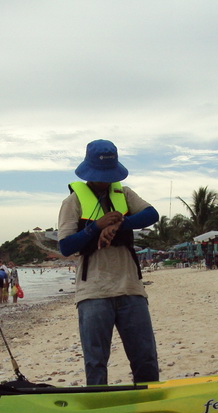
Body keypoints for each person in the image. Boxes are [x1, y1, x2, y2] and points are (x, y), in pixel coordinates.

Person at [57, 139, 160, 385]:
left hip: (130, 289)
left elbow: (151, 214)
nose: (104, 180)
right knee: (95, 362)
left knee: (145, 358)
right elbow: (66, 246)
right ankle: (98, 406)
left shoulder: (123, 193)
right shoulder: (72, 202)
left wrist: (120, 223)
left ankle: (150, 403)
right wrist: (95, 228)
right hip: (93, 292)